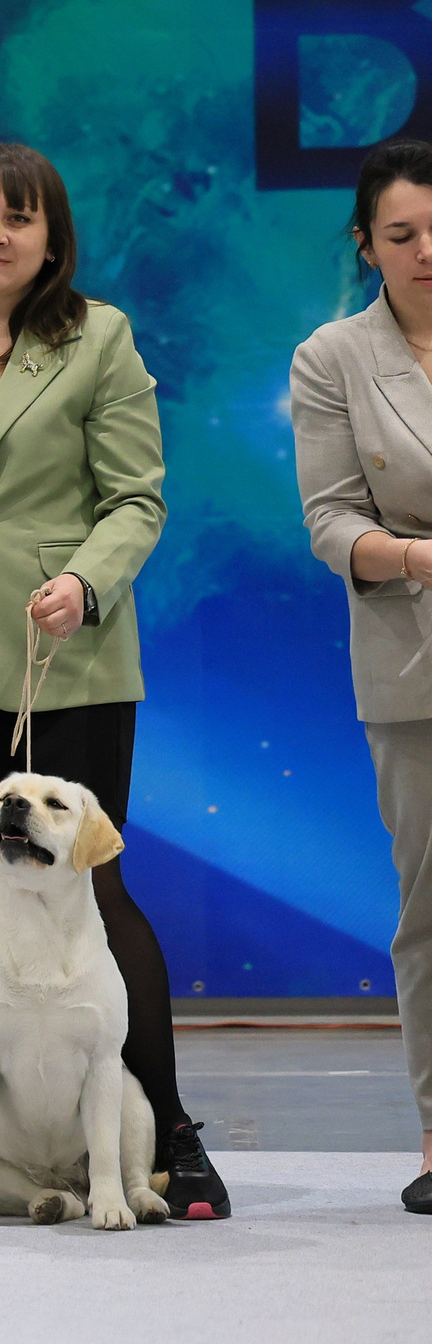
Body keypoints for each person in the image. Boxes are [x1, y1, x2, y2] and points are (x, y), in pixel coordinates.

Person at [0, 141, 227, 1218]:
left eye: (18, 218)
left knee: (90, 890)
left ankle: (170, 1136)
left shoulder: (96, 337)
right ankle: (15, 1151)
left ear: (50, 241)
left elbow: (136, 498)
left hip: (61, 655)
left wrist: (83, 579)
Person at [290, 135, 432, 1215]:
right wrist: (418, 555)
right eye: (402, 234)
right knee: (429, 911)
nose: (427, 250)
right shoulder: (332, 357)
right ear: (366, 243)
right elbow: (331, 522)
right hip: (414, 652)